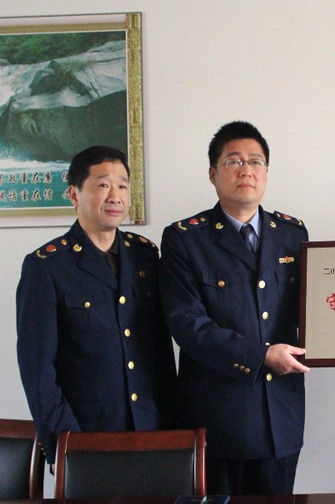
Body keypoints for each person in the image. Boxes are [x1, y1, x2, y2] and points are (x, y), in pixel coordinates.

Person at [159, 121, 309, 495]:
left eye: (256, 161)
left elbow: (318, 311)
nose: (246, 170)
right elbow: (187, 324)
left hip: (280, 418)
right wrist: (260, 356)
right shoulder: (185, 239)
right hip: (218, 420)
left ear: (267, 173)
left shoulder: (292, 234)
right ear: (213, 173)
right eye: (234, 161)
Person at [16, 145, 176, 466]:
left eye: (122, 186)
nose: (115, 196)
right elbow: (38, 372)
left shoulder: (145, 256)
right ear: (74, 194)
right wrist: (64, 445)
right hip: (86, 436)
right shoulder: (47, 266)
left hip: (151, 429)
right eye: (103, 185)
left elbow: (161, 353)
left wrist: (173, 429)